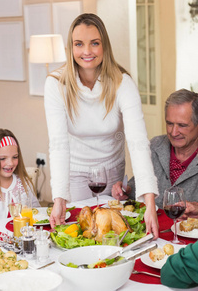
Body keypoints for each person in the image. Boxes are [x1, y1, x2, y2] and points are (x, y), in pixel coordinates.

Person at [44, 13, 159, 235]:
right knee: (82, 235)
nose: (87, 51)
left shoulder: (121, 82)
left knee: (114, 238)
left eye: (94, 43)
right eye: (79, 44)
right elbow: (58, 144)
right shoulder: (56, 84)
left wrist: (150, 202)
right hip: (75, 174)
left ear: (104, 46)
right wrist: (59, 198)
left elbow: (138, 142)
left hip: (113, 173)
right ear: (71, 47)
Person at [112, 89, 198, 219]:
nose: (174, 132)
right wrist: (125, 189)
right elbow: (138, 185)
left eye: (182, 125)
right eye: (169, 123)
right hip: (155, 232)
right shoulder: (155, 145)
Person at [0, 129, 40, 219]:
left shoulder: (24, 183)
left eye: (15, 157)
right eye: (2, 158)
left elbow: (37, 212)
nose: (10, 163)